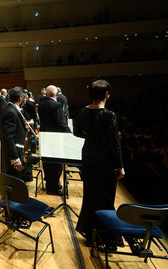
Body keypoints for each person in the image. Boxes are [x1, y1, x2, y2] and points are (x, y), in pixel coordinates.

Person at [73, 79, 124, 249]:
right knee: (106, 198)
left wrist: (93, 135)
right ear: (106, 94)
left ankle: (90, 235)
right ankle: (106, 238)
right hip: (105, 158)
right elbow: (114, 144)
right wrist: (120, 166)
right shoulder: (109, 115)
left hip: (88, 155)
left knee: (90, 195)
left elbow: (77, 132)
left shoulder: (82, 111)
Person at [38, 85, 71, 195]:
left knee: (47, 162)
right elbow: (61, 123)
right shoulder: (56, 105)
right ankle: (55, 187)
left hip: (44, 136)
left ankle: (49, 185)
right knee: (56, 164)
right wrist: (69, 134)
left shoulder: (41, 104)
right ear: (57, 94)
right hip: (55, 138)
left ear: (47, 93)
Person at [0, 87, 27, 179]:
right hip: (15, 149)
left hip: (17, 147)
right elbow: (9, 136)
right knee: (15, 178)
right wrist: (15, 158)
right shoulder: (11, 111)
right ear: (20, 98)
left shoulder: (13, 108)